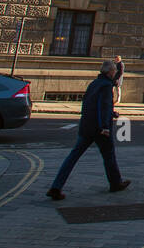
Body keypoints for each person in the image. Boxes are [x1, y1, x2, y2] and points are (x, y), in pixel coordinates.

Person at [47, 60, 130, 200]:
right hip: (100, 129)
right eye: (114, 70)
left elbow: (89, 104)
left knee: (73, 157)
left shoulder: (94, 83)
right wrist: (104, 127)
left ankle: (56, 186)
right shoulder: (106, 86)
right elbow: (103, 107)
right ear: (110, 72)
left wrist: (111, 113)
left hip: (86, 126)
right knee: (109, 155)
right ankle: (115, 183)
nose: (115, 72)